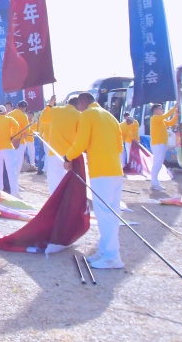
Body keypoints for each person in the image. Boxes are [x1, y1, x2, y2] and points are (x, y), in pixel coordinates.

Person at [63, 91, 124, 269]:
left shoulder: (88, 115)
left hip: (101, 172)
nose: (79, 110)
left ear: (82, 103)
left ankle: (112, 256)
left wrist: (68, 157)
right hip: (115, 170)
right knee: (112, 213)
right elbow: (119, 146)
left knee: (104, 213)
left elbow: (81, 142)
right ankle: (105, 250)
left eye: (79, 107)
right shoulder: (110, 116)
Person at [44, 99, 81, 194]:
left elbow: (42, 119)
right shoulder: (78, 115)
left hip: (54, 154)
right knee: (70, 184)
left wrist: (50, 105)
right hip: (70, 156)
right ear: (77, 105)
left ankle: (54, 201)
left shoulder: (55, 110)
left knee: (54, 183)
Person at [0, 105, 21, 196]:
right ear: (5, 112)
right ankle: (14, 192)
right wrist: (12, 135)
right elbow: (16, 125)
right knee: (11, 170)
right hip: (8, 147)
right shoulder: (9, 119)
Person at [149, 103, 178, 191]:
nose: (162, 110)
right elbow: (167, 115)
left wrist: (176, 114)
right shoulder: (155, 118)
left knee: (158, 163)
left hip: (160, 144)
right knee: (157, 164)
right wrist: (174, 107)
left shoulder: (161, 120)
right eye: (160, 108)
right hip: (158, 144)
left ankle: (155, 182)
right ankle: (154, 183)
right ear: (155, 111)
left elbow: (171, 123)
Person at [11, 101, 35, 171]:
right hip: (20, 142)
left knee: (10, 161)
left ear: (17, 106)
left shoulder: (9, 114)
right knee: (18, 162)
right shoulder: (23, 116)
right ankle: (15, 177)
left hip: (9, 141)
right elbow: (27, 130)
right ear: (24, 108)